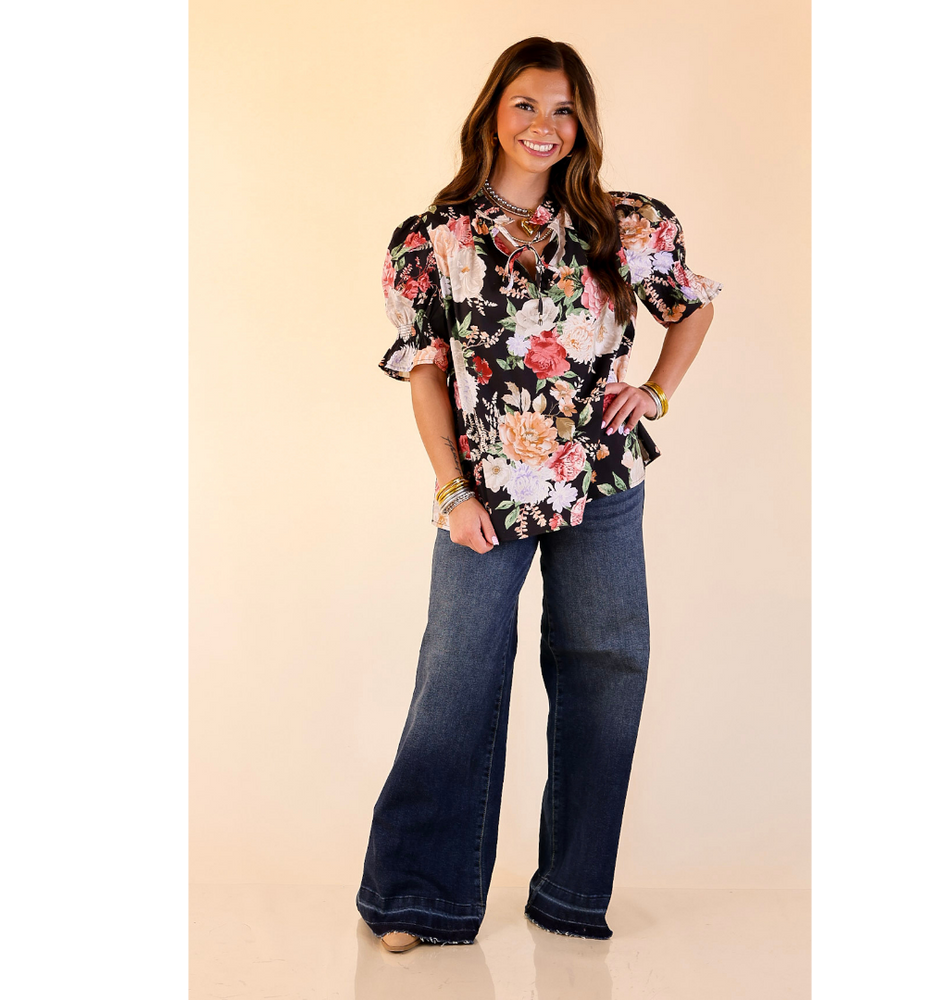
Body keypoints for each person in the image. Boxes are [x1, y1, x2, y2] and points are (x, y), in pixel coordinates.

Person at [356, 36, 721, 953]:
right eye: (526, 104)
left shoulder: (624, 223)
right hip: (487, 491)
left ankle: (572, 892)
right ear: (492, 112)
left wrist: (656, 391)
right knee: (457, 674)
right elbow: (426, 373)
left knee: (605, 672)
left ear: (582, 123)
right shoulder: (433, 239)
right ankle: (419, 897)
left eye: (563, 109)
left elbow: (692, 306)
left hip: (604, 482)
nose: (544, 126)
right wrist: (451, 488)